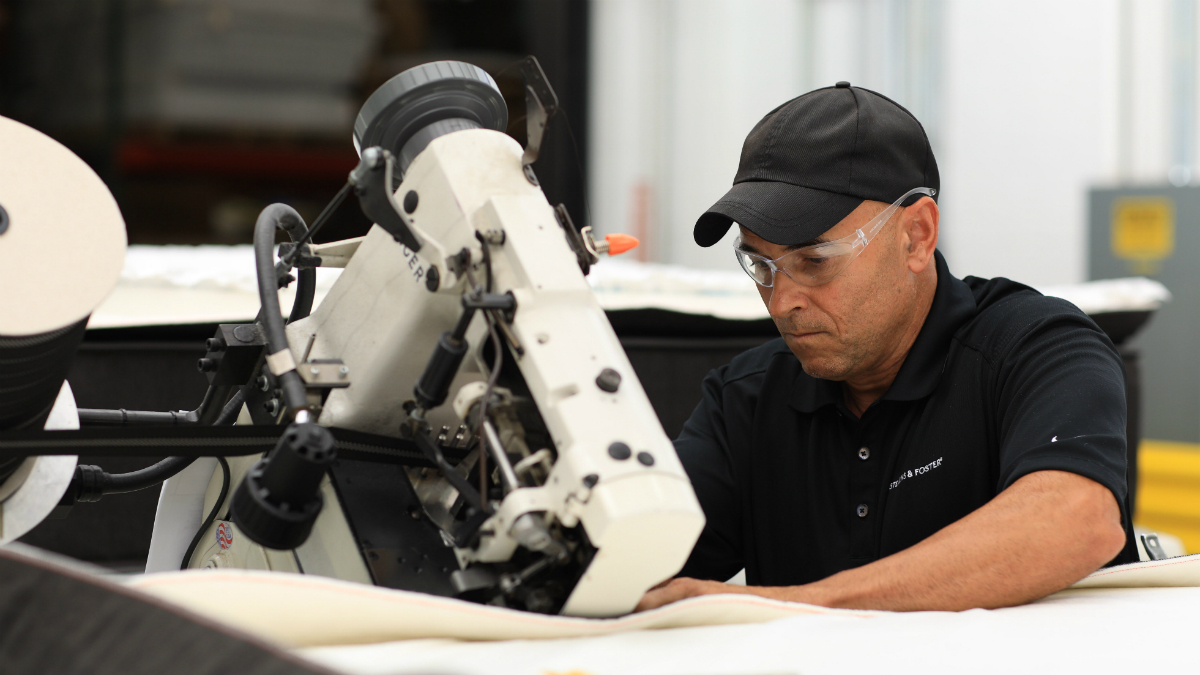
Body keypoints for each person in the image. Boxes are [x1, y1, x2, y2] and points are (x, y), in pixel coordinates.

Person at [637, 82, 1138, 613]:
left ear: (916, 236)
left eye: (815, 260)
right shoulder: (747, 402)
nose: (782, 302)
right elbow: (628, 560)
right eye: (761, 266)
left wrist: (794, 607)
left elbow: (1077, 519)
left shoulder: (1035, 349)